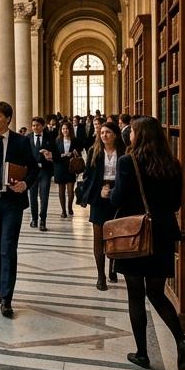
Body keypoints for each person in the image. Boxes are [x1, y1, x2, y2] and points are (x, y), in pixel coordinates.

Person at [112, 116, 185, 370]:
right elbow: (175, 205)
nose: (130, 136)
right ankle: (181, 339)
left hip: (136, 233)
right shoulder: (173, 165)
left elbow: (118, 199)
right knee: (156, 293)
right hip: (163, 234)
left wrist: (109, 193)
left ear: (140, 136)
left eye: (133, 132)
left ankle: (142, 353)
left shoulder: (128, 162)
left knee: (135, 294)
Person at [0, 101, 38, 318]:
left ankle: (7, 297)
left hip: (12, 202)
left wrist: (25, 184)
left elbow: (34, 169)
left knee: (8, 247)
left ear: (8, 119)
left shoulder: (21, 142)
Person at [79, 121, 125, 288]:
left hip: (118, 196)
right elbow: (88, 176)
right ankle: (101, 276)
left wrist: (116, 190)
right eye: (102, 132)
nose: (104, 135)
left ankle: (113, 266)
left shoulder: (124, 151)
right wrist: (98, 190)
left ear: (115, 135)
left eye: (108, 132)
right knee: (98, 238)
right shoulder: (94, 151)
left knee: (115, 236)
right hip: (99, 197)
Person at [27, 117, 57, 230]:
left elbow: (56, 154)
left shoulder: (50, 137)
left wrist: (51, 156)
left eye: (37, 125)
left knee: (44, 196)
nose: (35, 127)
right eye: (33, 125)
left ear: (43, 126)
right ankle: (34, 219)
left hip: (45, 171)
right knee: (32, 196)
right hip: (32, 172)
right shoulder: (28, 138)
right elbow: (25, 154)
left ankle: (43, 220)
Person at [51, 120, 82, 218]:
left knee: (70, 191)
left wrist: (73, 153)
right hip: (59, 166)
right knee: (61, 190)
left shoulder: (75, 140)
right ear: (61, 130)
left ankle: (69, 207)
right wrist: (62, 155)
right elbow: (54, 155)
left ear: (70, 130)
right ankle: (63, 210)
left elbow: (79, 154)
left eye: (67, 129)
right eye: (63, 129)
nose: (65, 130)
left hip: (70, 167)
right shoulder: (57, 140)